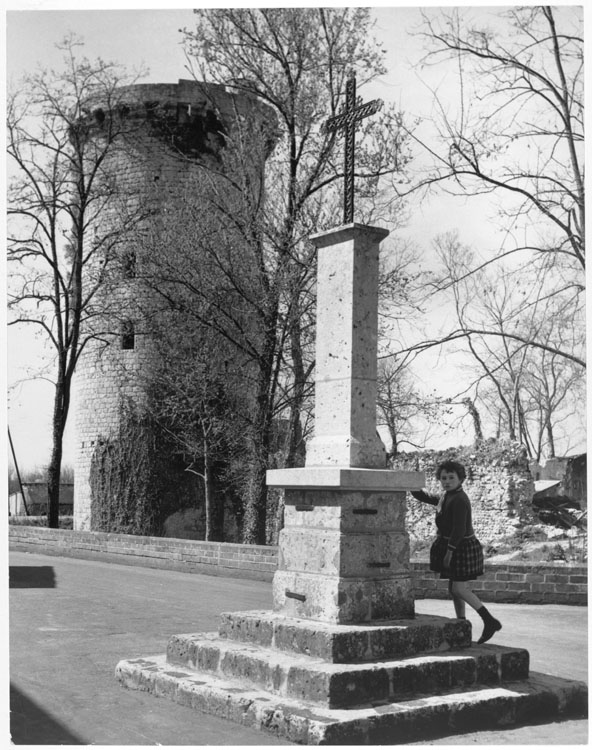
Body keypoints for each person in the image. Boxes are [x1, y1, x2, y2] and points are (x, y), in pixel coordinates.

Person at [410, 459, 502, 645]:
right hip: (455, 546)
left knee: (460, 588)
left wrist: (450, 552)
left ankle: (489, 621)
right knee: (454, 589)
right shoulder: (447, 495)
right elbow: (430, 498)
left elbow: (459, 529)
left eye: (452, 477)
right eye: (443, 478)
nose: (447, 481)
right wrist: (410, 486)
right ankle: (461, 621)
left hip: (461, 547)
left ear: (461, 479)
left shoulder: (460, 499)